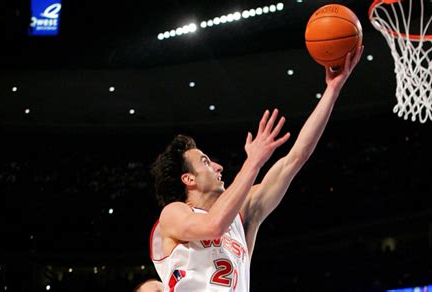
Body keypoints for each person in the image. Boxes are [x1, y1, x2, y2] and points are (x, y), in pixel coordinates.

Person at [149, 46, 364, 291]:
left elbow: (295, 158)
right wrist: (253, 162)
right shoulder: (174, 213)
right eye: (206, 162)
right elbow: (212, 226)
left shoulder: (243, 214)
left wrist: (333, 90)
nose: (219, 167)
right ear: (188, 179)